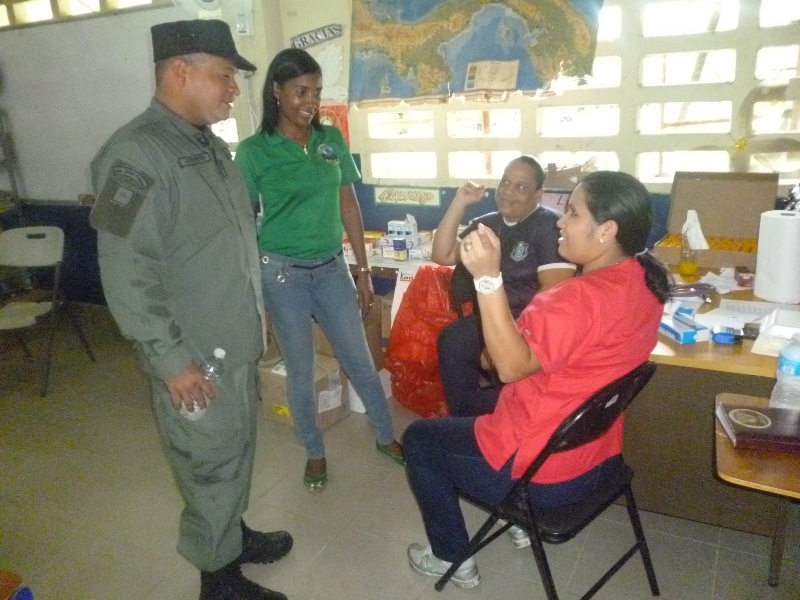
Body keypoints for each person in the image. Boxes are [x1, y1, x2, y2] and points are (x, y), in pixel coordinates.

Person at [90, 20, 291, 600]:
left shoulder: (208, 146)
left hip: (231, 342)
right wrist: (169, 359)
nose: (233, 89)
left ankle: (232, 534)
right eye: (224, 75)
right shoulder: (134, 155)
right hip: (192, 355)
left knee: (235, 447)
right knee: (207, 461)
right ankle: (218, 578)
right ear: (181, 71)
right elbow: (125, 270)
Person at [403, 171, 671, 588]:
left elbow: (508, 367)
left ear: (607, 231)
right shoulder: (645, 280)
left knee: (420, 439)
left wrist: (487, 276)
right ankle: (511, 520)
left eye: (573, 213)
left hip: (545, 474)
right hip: (597, 453)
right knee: (470, 405)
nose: (561, 221)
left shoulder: (572, 299)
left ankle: (451, 557)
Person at [234, 48, 403, 493]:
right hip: (282, 274)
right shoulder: (253, 152)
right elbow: (243, 221)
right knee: (300, 367)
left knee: (359, 359)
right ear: (277, 90)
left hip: (332, 269)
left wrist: (362, 271)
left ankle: (386, 435)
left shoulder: (331, 140)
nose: (311, 102)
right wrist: (254, 288)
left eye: (317, 92)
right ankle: (313, 451)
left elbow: (349, 204)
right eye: (301, 91)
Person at [432, 156, 575, 417]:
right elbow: (443, 255)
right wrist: (459, 202)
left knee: (504, 369)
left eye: (520, 187)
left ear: (538, 194)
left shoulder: (550, 228)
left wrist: (507, 338)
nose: (508, 192)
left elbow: (553, 295)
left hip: (532, 327)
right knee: (453, 340)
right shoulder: (488, 224)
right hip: (493, 318)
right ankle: (465, 416)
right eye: (505, 182)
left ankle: (507, 416)